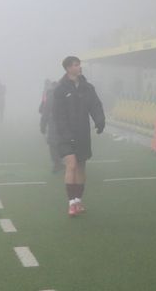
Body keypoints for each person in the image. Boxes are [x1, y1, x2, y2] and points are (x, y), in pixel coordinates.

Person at [48, 56, 105, 217]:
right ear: (67, 68)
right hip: (65, 135)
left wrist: (100, 120)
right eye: (75, 65)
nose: (79, 67)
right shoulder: (60, 89)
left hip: (82, 133)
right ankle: (71, 203)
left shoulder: (88, 88)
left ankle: (79, 200)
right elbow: (58, 115)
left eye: (79, 64)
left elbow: (95, 105)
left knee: (81, 166)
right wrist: (66, 133)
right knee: (71, 164)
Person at [38, 79, 62, 173]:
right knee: (61, 142)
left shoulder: (50, 95)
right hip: (64, 122)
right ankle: (60, 162)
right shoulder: (65, 93)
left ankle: (57, 163)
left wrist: (42, 125)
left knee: (53, 142)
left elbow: (45, 111)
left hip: (54, 121)